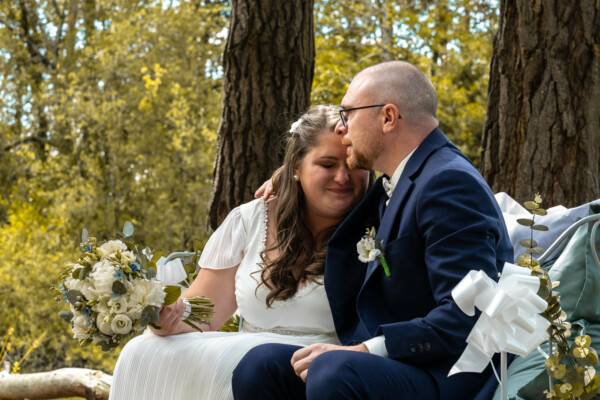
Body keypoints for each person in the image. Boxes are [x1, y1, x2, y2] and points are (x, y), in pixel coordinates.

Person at [232, 61, 514, 400]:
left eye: (347, 114)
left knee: (333, 370)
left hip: (446, 373)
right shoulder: (399, 181)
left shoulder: (448, 183)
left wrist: (366, 350)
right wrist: (292, 179)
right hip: (400, 365)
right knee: (260, 365)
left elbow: (467, 314)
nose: (340, 128)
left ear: (388, 117)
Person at [109, 105, 370, 400]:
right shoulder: (251, 219)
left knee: (252, 362)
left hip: (320, 363)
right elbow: (204, 309)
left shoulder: (381, 225)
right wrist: (168, 316)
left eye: (353, 164)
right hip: (251, 358)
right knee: (141, 351)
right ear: (296, 166)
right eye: (327, 164)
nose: (342, 177)